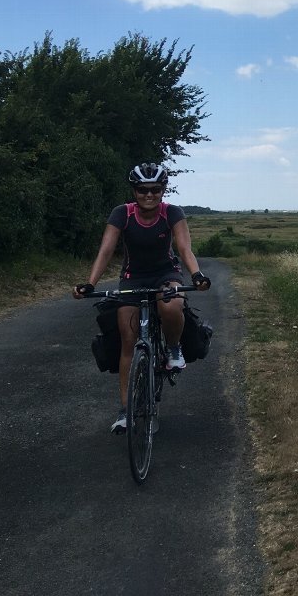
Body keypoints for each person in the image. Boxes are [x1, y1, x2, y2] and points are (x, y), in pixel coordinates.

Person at [73, 162, 211, 433]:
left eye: (155, 189)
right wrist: (90, 284)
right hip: (132, 276)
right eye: (142, 190)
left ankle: (173, 350)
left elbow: (183, 247)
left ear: (163, 190)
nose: (149, 195)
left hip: (165, 273)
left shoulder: (171, 213)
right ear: (134, 191)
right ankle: (125, 412)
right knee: (128, 339)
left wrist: (196, 275)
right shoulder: (121, 214)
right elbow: (106, 250)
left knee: (171, 305)